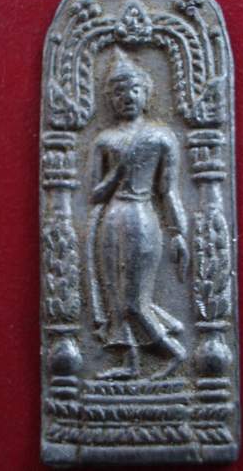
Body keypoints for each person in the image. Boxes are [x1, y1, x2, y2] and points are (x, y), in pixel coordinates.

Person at [88, 49, 189, 379]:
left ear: (146, 94)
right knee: (116, 297)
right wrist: (116, 174)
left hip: (143, 217)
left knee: (134, 300)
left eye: (134, 89)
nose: (127, 97)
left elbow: (168, 191)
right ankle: (130, 364)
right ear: (111, 99)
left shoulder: (160, 137)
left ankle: (173, 353)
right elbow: (94, 194)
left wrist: (178, 233)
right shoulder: (105, 140)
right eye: (119, 92)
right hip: (112, 219)